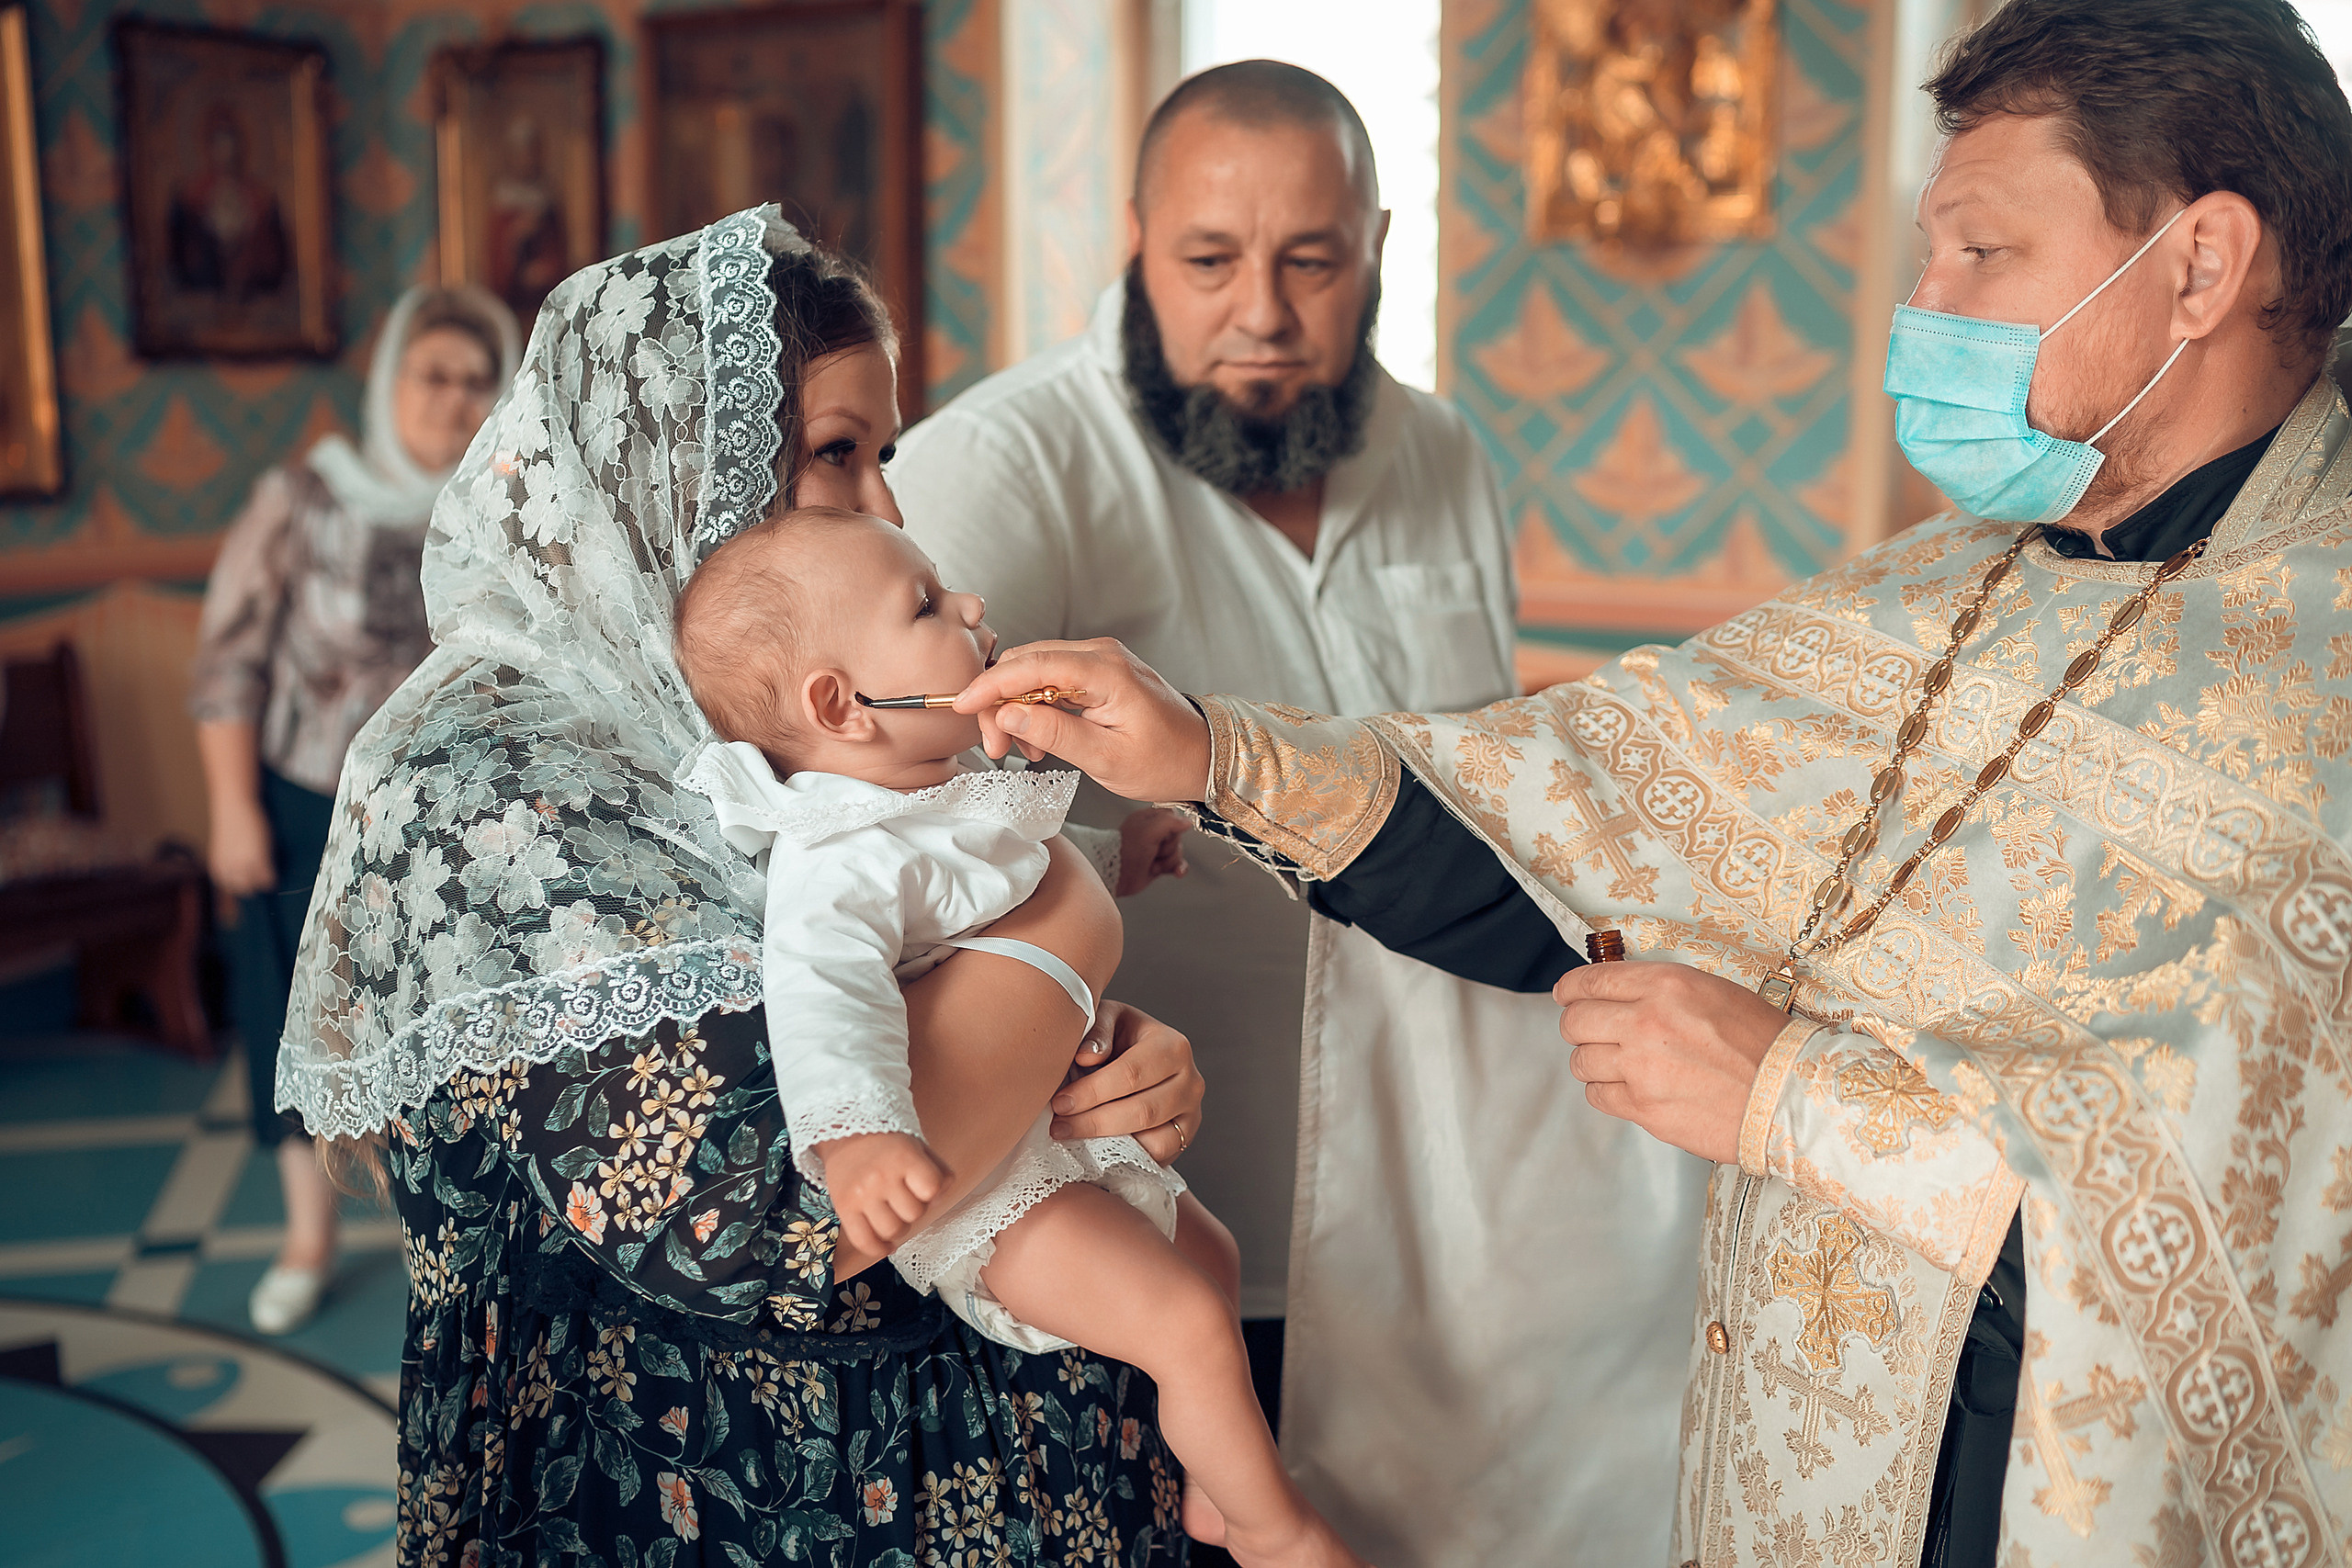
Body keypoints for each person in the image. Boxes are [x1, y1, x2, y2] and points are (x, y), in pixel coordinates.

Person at [950, 3, 2352, 1562]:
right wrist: (1212, 753)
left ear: (2204, 266)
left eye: (1980, 255)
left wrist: (1790, 1100)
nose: (1925, 304)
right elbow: (1566, 818)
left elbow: (2272, 1229)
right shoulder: (1940, 593)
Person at [277, 209, 1212, 1563]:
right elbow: (774, 1217)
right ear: (670, 467)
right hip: (714, 1493)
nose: (887, 508)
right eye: (836, 454)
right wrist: (1076, 917)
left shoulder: (780, 719)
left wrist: (1113, 1062)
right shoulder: (479, 779)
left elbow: (934, 982)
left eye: (883, 452)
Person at [893, 61, 1704, 1565]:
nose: (1261, 311)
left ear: (1380, 246)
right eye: (1208, 259)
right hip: (1142, 1223)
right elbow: (878, 830)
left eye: (1311, 260)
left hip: (1433, 1221)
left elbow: (1488, 787)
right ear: (1135, 239)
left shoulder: (1448, 456)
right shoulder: (1004, 468)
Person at [673, 504, 1363, 1568]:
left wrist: (1120, 852)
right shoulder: (836, 859)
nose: (972, 606)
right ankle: (1276, 1530)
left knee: (1211, 1262)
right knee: (1183, 1323)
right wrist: (856, 1134)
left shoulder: (934, 793)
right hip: (989, 1198)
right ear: (841, 704)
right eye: (927, 604)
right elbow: (823, 997)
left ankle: (1219, 1493)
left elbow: (1010, 861)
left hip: (1042, 1128)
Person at [190, 283, 519, 1335]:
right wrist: (232, 808)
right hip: (300, 803)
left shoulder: (506, 508)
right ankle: (306, 1236)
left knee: (440, 1023)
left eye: (479, 381)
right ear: (391, 381)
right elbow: (228, 664)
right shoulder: (304, 498)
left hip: (444, 822)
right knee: (294, 1015)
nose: (455, 400)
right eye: (434, 375)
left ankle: (448, 1236)